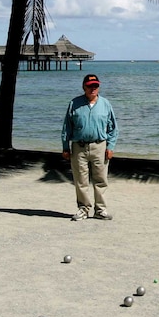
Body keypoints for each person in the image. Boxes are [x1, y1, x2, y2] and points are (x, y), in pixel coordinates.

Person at [61, 74, 119, 221]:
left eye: (96, 86)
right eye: (90, 86)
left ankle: (100, 210)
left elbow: (113, 128)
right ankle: (83, 209)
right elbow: (67, 127)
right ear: (84, 87)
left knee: (101, 180)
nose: (93, 88)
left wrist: (110, 146)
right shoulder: (74, 103)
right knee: (81, 180)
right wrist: (65, 147)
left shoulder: (106, 104)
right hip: (79, 147)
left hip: (100, 146)